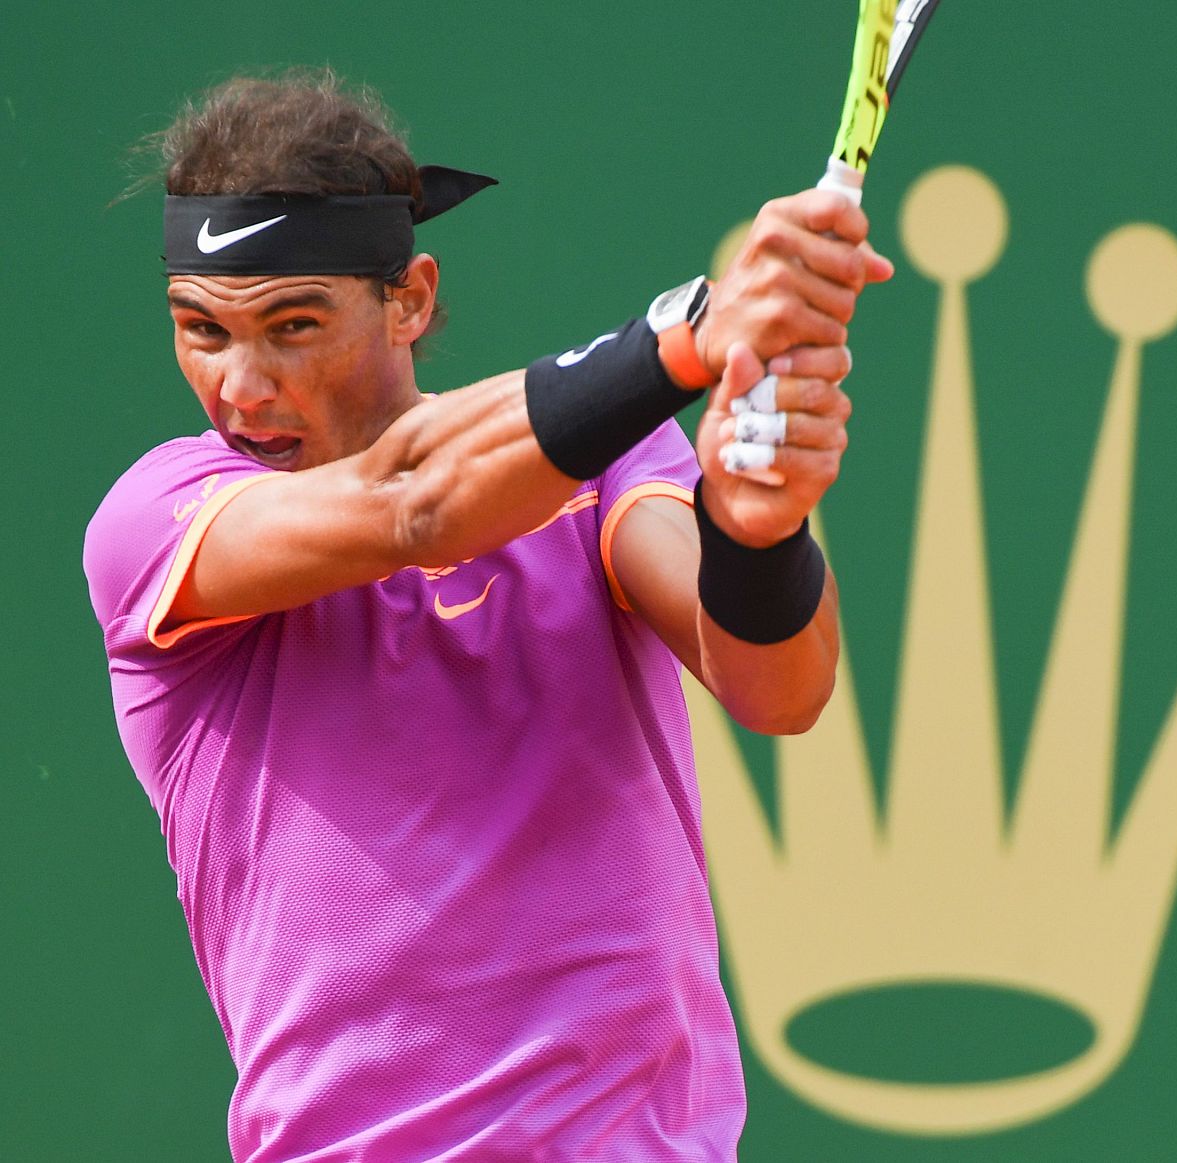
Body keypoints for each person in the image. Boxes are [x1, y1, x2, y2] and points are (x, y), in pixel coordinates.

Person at [83, 71, 891, 1161]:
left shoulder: (604, 474)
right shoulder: (157, 522)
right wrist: (693, 332)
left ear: (409, 297)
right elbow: (412, 504)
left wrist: (758, 531)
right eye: (202, 329)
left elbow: (777, 688)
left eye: (294, 325)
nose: (242, 387)